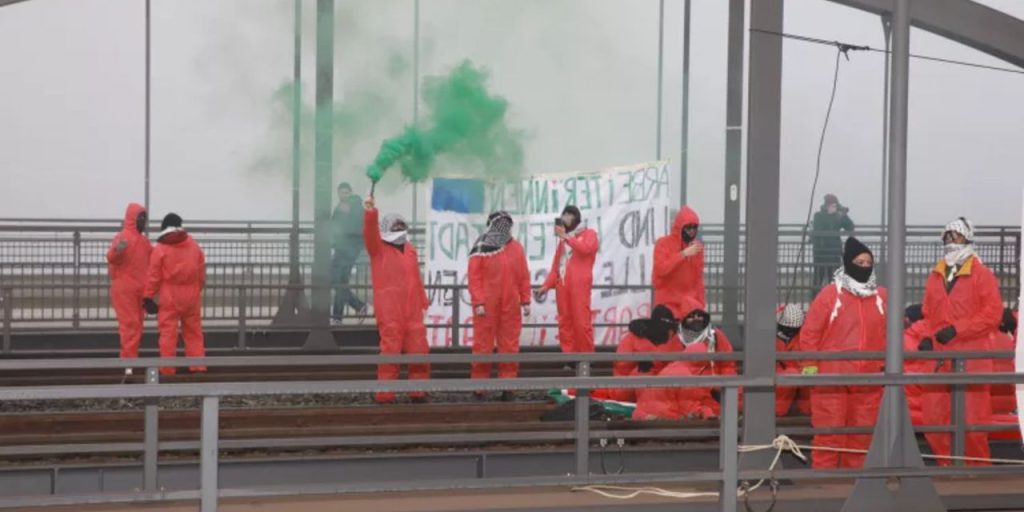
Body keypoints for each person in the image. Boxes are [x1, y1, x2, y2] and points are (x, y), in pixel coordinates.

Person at [918, 217, 1002, 466]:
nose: (951, 241)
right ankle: (947, 466)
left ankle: (976, 470)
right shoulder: (936, 275)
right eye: (947, 236)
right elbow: (927, 312)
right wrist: (926, 336)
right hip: (939, 357)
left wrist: (958, 329)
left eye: (956, 235)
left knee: (972, 419)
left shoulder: (981, 274)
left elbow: (992, 314)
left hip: (971, 356)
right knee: (934, 417)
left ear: (968, 238)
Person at [800, 237, 886, 469]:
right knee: (829, 433)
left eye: (868, 263)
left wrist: (886, 365)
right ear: (848, 263)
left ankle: (855, 480)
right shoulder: (830, 295)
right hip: (831, 377)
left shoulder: (881, 297)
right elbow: (810, 333)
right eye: (859, 262)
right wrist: (810, 368)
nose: (865, 267)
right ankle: (824, 481)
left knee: (862, 435)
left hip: (868, 377)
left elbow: (890, 334)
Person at [363, 196, 430, 403]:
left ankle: (418, 392)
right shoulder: (378, 249)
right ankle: (385, 394)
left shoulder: (410, 250)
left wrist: (422, 300)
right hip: (390, 309)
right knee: (390, 352)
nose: (400, 230)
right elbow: (370, 233)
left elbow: (415, 277)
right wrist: (371, 212)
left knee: (419, 351)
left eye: (401, 226)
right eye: (396, 227)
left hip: (412, 310)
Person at [633, 298, 739, 420]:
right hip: (689, 390)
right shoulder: (678, 339)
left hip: (711, 389)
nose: (696, 319)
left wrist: (722, 387)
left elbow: (728, 365)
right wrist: (648, 364)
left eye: (699, 315)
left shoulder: (715, 336)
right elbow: (661, 358)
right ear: (684, 319)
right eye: (691, 316)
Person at [467, 211, 531, 394]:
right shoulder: (480, 248)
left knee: (509, 346)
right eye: (500, 224)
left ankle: (507, 387)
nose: (504, 228)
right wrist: (479, 302)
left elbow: (523, 276)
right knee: (482, 346)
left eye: (506, 224)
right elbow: (474, 277)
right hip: (486, 305)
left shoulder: (516, 248)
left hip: (510, 304)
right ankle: (479, 387)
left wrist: (525, 299)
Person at [144, 213, 207, 376]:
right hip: (191, 295)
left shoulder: (161, 247)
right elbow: (201, 272)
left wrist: (148, 296)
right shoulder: (193, 245)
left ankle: (167, 369)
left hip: (170, 296)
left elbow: (154, 276)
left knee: (168, 334)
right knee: (193, 332)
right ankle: (197, 367)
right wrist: (196, 289)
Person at [537, 206, 599, 354]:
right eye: (563, 215)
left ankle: (586, 357)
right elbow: (556, 268)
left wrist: (566, 237)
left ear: (576, 218)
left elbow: (586, 249)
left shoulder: (589, 234)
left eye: (568, 215)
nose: (565, 218)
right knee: (565, 323)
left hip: (579, 286)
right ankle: (569, 357)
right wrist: (546, 286)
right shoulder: (563, 242)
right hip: (563, 287)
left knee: (581, 322)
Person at [599, 304, 682, 403]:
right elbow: (622, 365)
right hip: (624, 388)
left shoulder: (669, 338)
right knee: (644, 371)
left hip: (650, 387)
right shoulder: (635, 338)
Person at [107, 203, 152, 368]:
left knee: (136, 326)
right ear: (132, 218)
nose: (143, 222)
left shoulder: (144, 242)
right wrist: (117, 250)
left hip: (139, 290)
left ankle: (130, 362)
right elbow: (112, 258)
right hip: (125, 290)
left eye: (144, 218)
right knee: (130, 326)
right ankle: (128, 364)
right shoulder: (123, 237)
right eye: (140, 218)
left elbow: (153, 261)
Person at [653, 206, 705, 312]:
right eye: (688, 228)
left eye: (694, 227)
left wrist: (701, 304)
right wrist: (683, 254)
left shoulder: (696, 248)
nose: (692, 231)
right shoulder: (663, 243)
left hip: (689, 302)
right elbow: (661, 269)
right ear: (679, 227)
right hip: (667, 302)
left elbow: (698, 279)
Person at [331, 182, 367, 321]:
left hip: (349, 249)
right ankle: (339, 316)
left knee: (335, 280)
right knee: (341, 282)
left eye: (346, 192)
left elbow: (356, 227)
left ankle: (355, 307)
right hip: (342, 248)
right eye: (341, 192)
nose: (343, 195)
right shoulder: (340, 208)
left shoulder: (356, 207)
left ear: (351, 193)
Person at [811, 194, 855, 288]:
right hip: (821, 253)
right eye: (832, 205)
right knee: (818, 279)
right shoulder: (818, 216)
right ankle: (816, 296)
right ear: (826, 205)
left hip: (833, 253)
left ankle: (832, 297)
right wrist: (835, 217)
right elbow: (820, 228)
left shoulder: (838, 216)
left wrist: (843, 216)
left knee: (834, 281)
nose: (834, 207)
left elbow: (850, 227)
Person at [775, 304, 809, 417]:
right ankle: (776, 412)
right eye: (787, 329)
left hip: (802, 373)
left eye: (794, 330)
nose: (790, 332)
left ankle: (805, 412)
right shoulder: (770, 337)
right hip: (781, 374)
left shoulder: (805, 337)